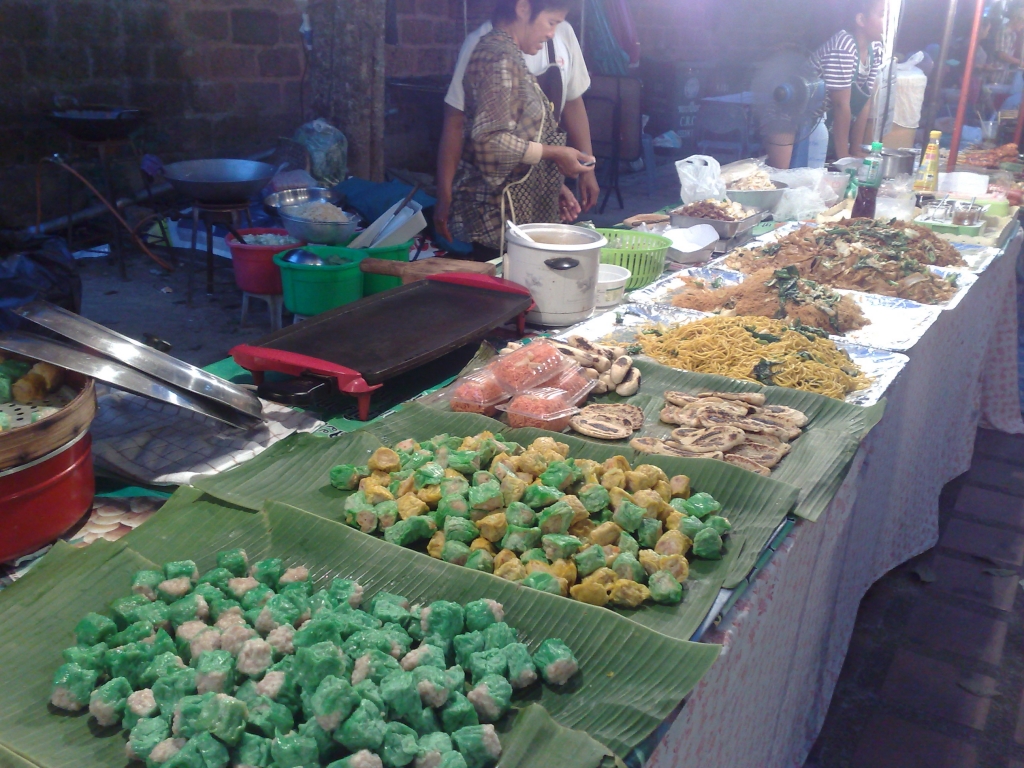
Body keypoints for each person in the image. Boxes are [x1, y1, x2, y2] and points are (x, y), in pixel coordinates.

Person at [436, 1, 598, 255]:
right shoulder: (498, 57)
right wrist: (555, 153)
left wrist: (552, 183)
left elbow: (524, 136)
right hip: (499, 218)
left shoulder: (509, 52)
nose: (552, 33)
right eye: (551, 22)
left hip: (523, 208)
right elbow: (490, 142)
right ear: (523, 8)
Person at [765, 0, 885, 169]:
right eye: (882, 15)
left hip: (820, 125)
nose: (887, 22)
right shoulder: (845, 45)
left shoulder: (877, 49)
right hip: (789, 119)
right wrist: (844, 157)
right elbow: (840, 104)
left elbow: (865, 101)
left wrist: (856, 149)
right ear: (861, 20)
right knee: (782, 177)